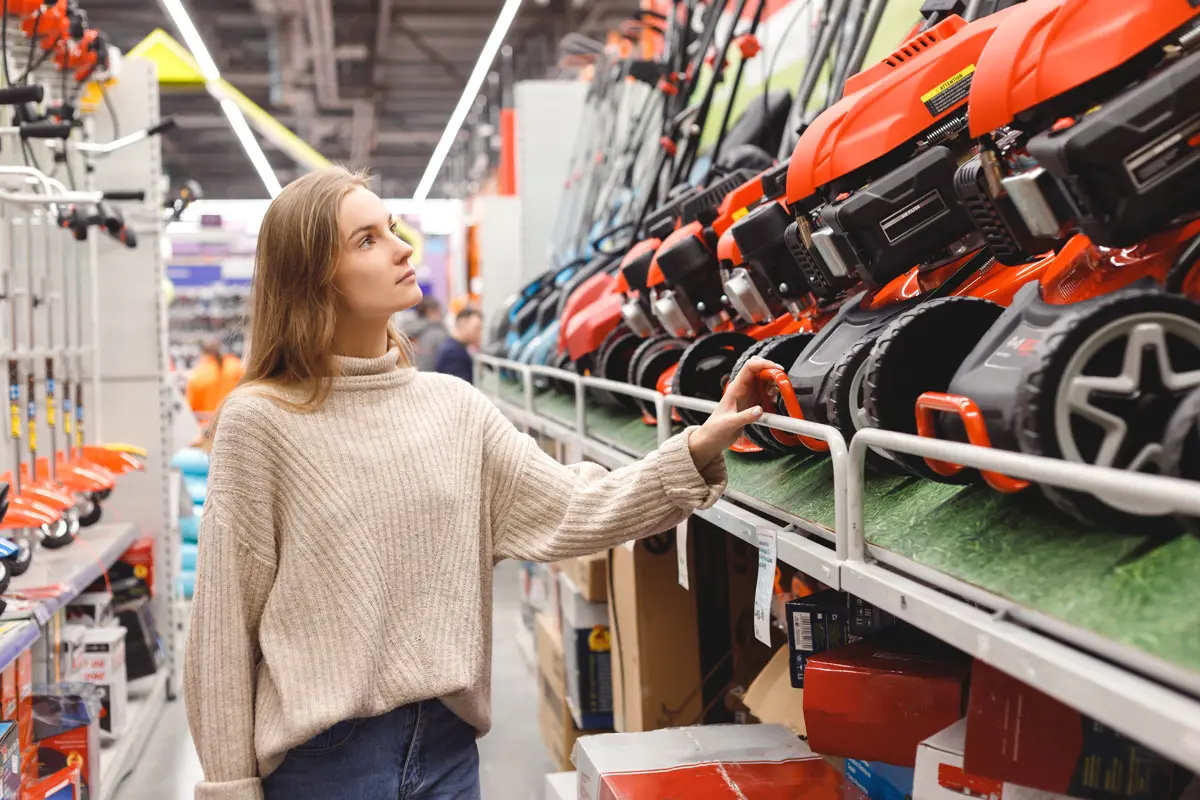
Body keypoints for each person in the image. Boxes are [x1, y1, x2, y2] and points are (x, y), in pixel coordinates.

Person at [184, 166, 775, 800]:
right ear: (311, 280)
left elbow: (576, 506)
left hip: (446, 751)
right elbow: (222, 627)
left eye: (390, 227)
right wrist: (229, 788)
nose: (401, 247)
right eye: (366, 240)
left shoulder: (452, 407)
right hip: (326, 765)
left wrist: (699, 443)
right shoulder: (262, 421)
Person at [433, 306, 482, 383]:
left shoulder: (452, 346)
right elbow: (458, 390)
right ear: (463, 324)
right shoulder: (454, 353)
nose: (479, 334)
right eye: (476, 328)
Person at [401, 295, 448, 371]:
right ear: (430, 312)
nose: (442, 314)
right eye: (439, 311)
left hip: (409, 376)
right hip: (432, 379)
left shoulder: (405, 330)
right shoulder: (437, 333)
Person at [185, 340, 224, 414]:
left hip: (204, 422)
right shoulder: (233, 368)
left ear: (203, 354)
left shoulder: (198, 376)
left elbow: (190, 407)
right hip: (228, 420)